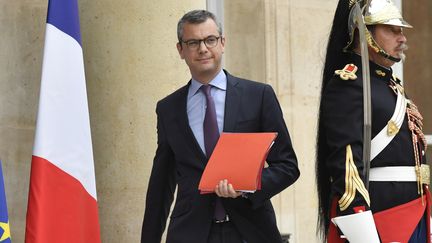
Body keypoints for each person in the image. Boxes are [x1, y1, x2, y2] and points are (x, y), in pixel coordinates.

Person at [141, 10, 300, 243]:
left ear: (222, 43)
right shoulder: (168, 109)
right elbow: (161, 183)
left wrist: (247, 187)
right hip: (189, 233)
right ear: (180, 50)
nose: (203, 48)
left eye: (210, 40)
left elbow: (288, 166)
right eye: (193, 42)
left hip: (250, 231)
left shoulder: (258, 96)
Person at [316, 0, 430, 242]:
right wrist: (364, 234)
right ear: (363, 32)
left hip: (414, 214)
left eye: (401, 31)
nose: (402, 39)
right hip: (382, 220)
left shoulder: (389, 85)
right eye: (392, 30)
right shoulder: (349, 85)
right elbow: (347, 170)